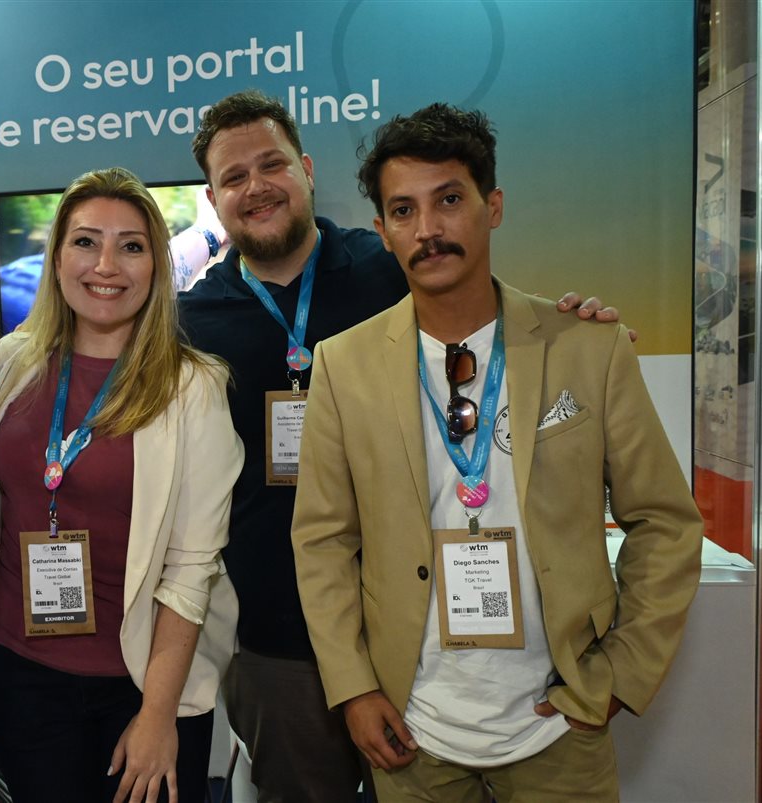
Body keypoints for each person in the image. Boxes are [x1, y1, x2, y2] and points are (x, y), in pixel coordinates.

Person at [177, 89, 624, 802]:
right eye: (234, 177)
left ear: (306, 169)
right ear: (212, 198)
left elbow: (501, 327)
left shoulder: (389, 266)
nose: (256, 186)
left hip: (427, 632)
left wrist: (578, 327)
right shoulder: (190, 322)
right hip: (278, 636)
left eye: (272, 164)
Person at [291, 102, 703, 801]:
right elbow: (323, 540)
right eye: (403, 210)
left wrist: (618, 677)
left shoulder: (588, 347)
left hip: (559, 725)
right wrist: (354, 687)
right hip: (411, 731)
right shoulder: (343, 364)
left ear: (494, 207)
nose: (428, 229)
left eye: (449, 200)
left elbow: (665, 522)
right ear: (383, 231)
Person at [0, 166, 243, 803]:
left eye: (131, 246)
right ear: (57, 257)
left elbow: (192, 568)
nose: (106, 265)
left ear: (157, 265)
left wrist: (158, 715)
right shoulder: (10, 365)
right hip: (20, 674)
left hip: (141, 682)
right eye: (86, 242)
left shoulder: (194, 388)